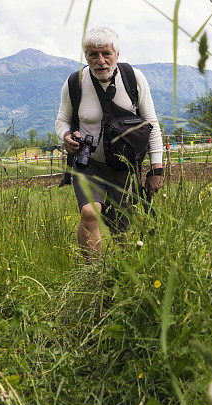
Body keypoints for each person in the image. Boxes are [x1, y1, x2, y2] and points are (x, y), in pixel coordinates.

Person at [55, 26, 164, 262]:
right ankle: (91, 275)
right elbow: (62, 120)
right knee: (89, 212)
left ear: (117, 53)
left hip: (123, 166)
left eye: (106, 54)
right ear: (86, 56)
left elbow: (151, 123)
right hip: (89, 164)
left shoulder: (133, 79)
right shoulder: (75, 83)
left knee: (120, 229)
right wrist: (65, 137)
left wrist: (157, 169)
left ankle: (121, 276)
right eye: (93, 55)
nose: (100, 61)